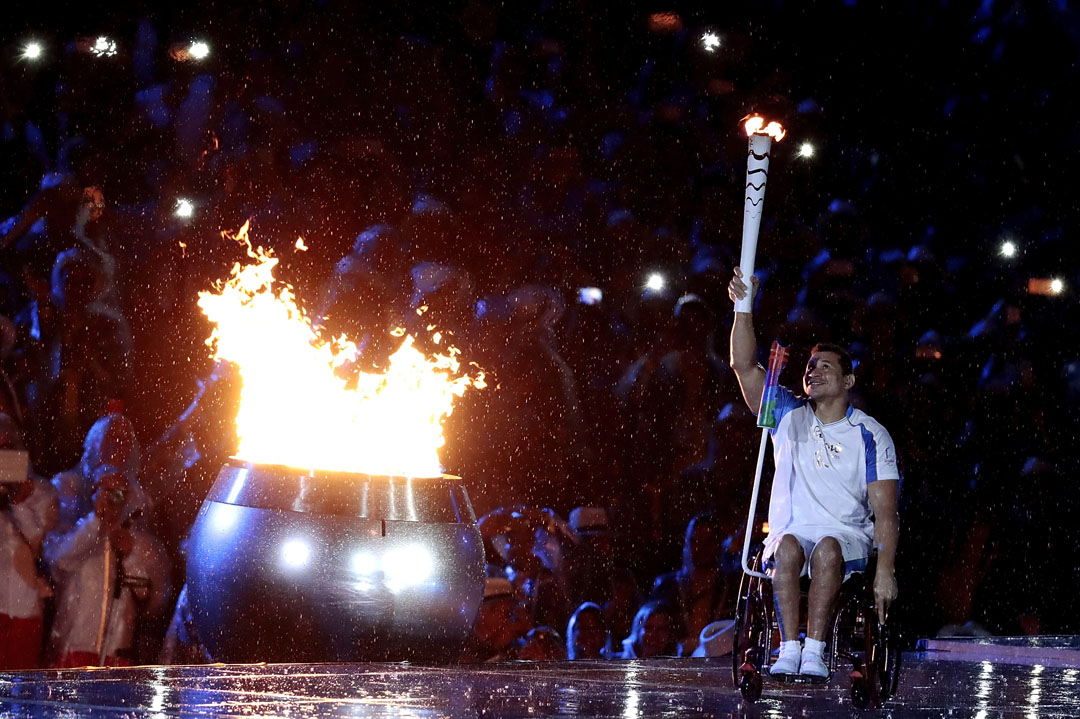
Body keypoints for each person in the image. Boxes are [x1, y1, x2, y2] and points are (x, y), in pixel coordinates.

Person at [727, 267, 900, 679]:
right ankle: (789, 648)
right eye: (809, 366)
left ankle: (816, 651)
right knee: (787, 546)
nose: (812, 372)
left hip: (847, 539)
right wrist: (743, 307)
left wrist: (886, 570)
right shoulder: (784, 412)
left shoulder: (871, 435)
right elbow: (742, 364)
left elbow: (887, 512)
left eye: (824, 367)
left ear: (848, 380)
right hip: (791, 532)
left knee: (825, 548)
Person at [46, 466, 170, 667]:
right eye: (106, 490)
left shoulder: (140, 544)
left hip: (117, 652)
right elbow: (62, 561)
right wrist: (96, 522)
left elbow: (148, 596)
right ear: (93, 492)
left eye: (120, 492)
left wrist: (129, 557)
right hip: (77, 648)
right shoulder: (80, 532)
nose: (113, 498)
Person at [0, 414, 58, 670]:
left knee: (20, 691)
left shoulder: (41, 490)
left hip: (25, 610)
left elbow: (38, 543)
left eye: (7, 447)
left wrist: (19, 500)